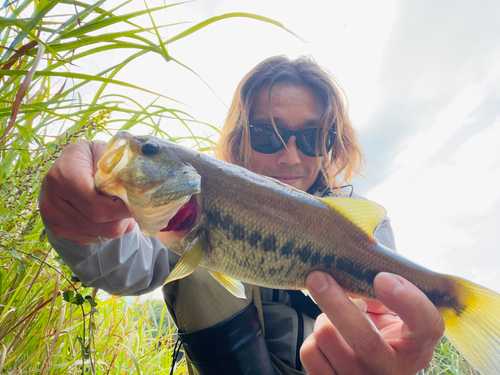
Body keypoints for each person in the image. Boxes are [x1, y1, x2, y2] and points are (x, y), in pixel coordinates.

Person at [40, 56, 444, 375]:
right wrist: (79, 217)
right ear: (239, 139)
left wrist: (403, 357)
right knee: (194, 262)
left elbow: (391, 324)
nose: (291, 156)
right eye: (269, 135)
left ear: (331, 145)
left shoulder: (364, 227)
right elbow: (124, 269)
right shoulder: (192, 205)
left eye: (312, 138)